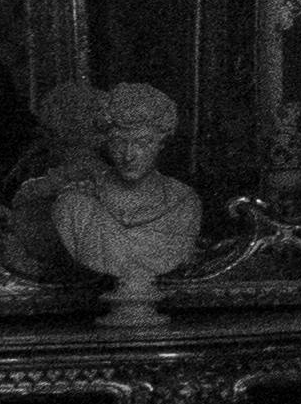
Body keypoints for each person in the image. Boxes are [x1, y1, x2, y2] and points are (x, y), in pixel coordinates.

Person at [50, 79, 207, 322]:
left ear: (161, 143)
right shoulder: (75, 205)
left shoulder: (184, 203)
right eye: (118, 142)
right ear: (106, 142)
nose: (128, 155)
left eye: (142, 142)